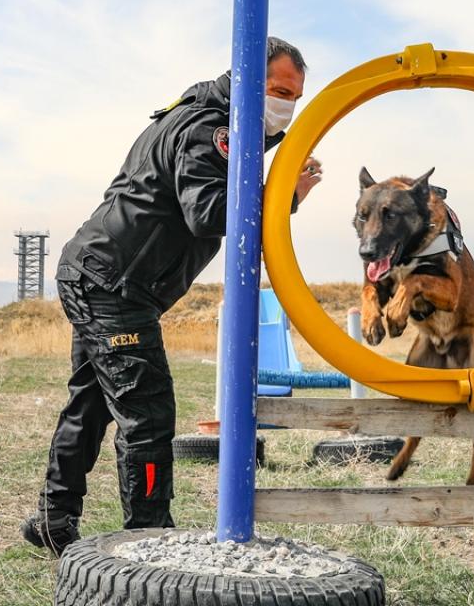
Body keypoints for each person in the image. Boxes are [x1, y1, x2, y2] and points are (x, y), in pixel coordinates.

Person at [22, 37, 321, 555]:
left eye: (294, 96)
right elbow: (208, 212)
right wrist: (286, 194)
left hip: (100, 271)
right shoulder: (209, 130)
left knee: (91, 404)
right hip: (114, 283)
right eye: (277, 91)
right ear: (246, 80)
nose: (286, 106)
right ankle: (150, 536)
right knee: (149, 413)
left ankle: (53, 518)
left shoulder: (204, 115)